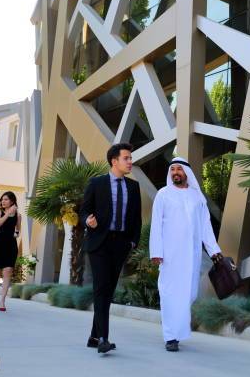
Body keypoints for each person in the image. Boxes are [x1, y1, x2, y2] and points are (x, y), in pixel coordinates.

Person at [149, 157, 223, 352]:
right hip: (170, 255)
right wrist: (156, 251)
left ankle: (177, 331)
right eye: (172, 169)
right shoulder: (163, 194)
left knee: (189, 294)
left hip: (192, 255)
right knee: (169, 293)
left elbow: (206, 226)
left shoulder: (197, 197)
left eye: (179, 169)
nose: (175, 172)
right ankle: (170, 336)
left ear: (186, 173)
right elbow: (156, 225)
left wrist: (214, 250)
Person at [79, 143, 141, 354]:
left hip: (120, 245)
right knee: (101, 289)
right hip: (99, 243)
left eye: (130, 158)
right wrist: (88, 220)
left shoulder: (133, 187)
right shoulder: (97, 183)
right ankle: (103, 338)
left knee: (108, 290)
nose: (130, 162)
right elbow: (84, 209)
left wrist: (132, 242)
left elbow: (136, 218)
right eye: (127, 158)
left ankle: (94, 336)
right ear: (114, 161)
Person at [0, 191, 21, 312]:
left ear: (12, 201)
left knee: (8, 271)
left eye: (6, 199)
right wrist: (8, 213)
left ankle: (2, 300)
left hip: (11, 245)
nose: (3, 201)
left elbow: (18, 228)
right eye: (2, 199)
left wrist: (16, 233)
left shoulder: (18, 214)